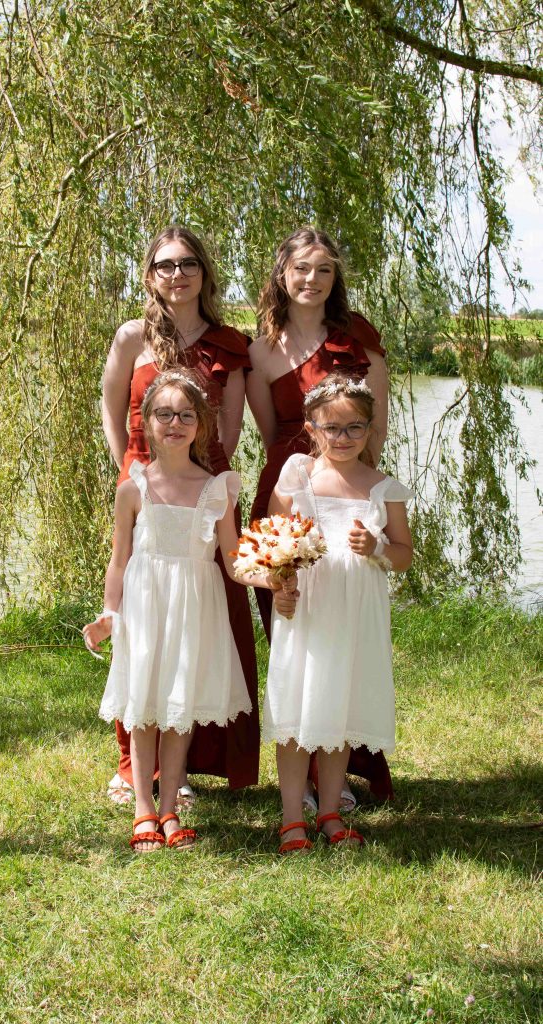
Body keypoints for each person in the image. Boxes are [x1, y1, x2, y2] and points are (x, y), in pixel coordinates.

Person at [84, 372, 294, 851]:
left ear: (201, 424)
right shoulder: (133, 488)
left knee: (177, 709)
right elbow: (119, 561)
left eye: (185, 414)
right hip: (145, 607)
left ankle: (171, 809)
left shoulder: (217, 489)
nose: (174, 423)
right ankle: (143, 807)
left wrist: (271, 576)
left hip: (193, 608)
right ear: (146, 421)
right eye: (164, 414)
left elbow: (234, 560)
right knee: (143, 708)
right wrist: (108, 613)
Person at [102, 225, 260, 805]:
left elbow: (234, 423)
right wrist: (129, 465)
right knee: (145, 626)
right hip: (148, 480)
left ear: (205, 271)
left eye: (188, 262)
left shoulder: (229, 343)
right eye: (165, 264)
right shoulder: (130, 336)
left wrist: (205, 470)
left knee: (203, 625)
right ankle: (134, 771)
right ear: (150, 274)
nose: (177, 273)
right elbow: (112, 403)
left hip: (204, 483)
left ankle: (193, 764)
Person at [246, 226, 393, 805]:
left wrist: (356, 498)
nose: (312, 280)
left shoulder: (360, 340)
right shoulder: (258, 351)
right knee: (292, 634)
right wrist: (296, 494)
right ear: (282, 274)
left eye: (324, 270)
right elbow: (269, 432)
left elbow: (373, 428)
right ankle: (299, 776)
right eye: (301, 268)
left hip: (346, 494)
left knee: (340, 637)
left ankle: (334, 772)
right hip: (286, 496)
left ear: (336, 279)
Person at [263, 374, 413, 853]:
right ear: (313, 428)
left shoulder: (383, 489)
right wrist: (280, 586)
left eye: (355, 428)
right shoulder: (298, 476)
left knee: (337, 708)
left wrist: (378, 545)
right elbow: (273, 541)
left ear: (371, 430)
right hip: (308, 610)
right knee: (298, 709)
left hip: (354, 614)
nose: (343, 438)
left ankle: (329, 809)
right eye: (333, 428)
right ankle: (292, 816)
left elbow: (406, 554)